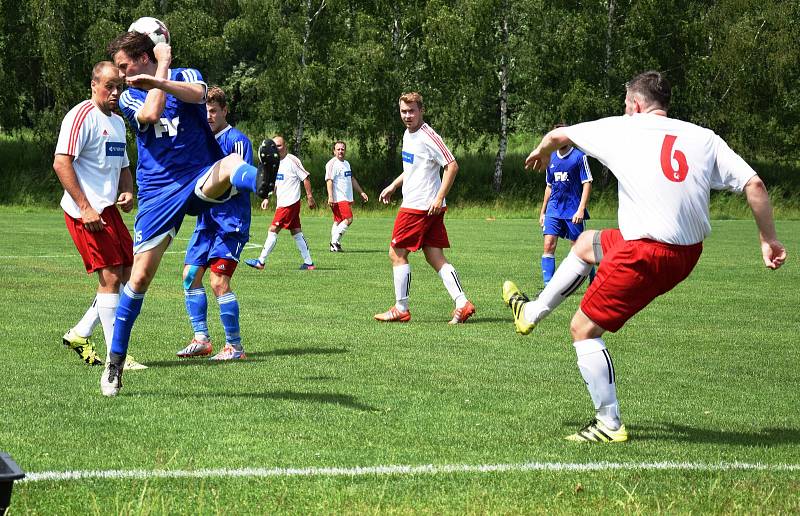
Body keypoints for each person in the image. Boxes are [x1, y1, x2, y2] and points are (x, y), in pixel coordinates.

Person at [502, 70, 787, 442]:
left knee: (583, 330)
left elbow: (559, 136)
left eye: (626, 104)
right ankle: (532, 312)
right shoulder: (703, 138)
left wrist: (540, 151)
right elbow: (755, 184)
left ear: (636, 105)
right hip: (686, 253)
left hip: (647, 253)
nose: (624, 110)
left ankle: (609, 424)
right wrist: (769, 240)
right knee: (587, 243)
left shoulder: (625, 127)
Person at [102, 31, 277, 396]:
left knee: (230, 163)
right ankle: (114, 362)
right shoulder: (131, 95)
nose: (119, 75)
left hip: (197, 175)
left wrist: (163, 72)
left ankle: (260, 179)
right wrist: (158, 70)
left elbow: (198, 95)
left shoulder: (184, 75)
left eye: (123, 65)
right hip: (157, 194)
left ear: (142, 56)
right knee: (140, 279)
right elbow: (150, 113)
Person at [54, 61, 144, 370]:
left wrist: (128, 192)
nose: (115, 92)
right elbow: (61, 163)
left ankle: (79, 333)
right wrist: (85, 207)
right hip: (85, 212)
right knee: (109, 278)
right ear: (94, 85)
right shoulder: (80, 116)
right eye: (109, 86)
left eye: (118, 86)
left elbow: (124, 168)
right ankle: (115, 357)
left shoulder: (118, 123)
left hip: (108, 211)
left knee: (129, 274)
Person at [375, 92, 476, 325]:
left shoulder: (428, 136)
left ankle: (401, 308)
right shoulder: (407, 134)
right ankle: (462, 303)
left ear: (421, 110)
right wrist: (392, 185)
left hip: (418, 207)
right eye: (403, 111)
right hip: (425, 206)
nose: (407, 116)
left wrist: (439, 197)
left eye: (412, 111)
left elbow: (452, 165)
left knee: (397, 253)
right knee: (434, 256)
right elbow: (413, 168)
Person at [177, 86, 252, 361]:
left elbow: (240, 182)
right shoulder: (201, 142)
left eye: (213, 111)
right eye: (204, 111)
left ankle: (235, 347)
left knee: (218, 281)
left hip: (230, 222)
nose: (208, 116)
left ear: (224, 111)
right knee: (189, 276)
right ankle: (201, 339)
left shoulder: (238, 140)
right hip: (205, 221)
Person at [245, 135, 317, 270]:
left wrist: (309, 196)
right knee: (296, 232)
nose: (276, 148)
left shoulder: (292, 161)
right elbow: (274, 184)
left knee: (273, 230)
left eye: (279, 145)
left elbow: (305, 178)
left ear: (285, 146)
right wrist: (267, 198)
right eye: (274, 146)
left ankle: (260, 261)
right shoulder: (274, 162)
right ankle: (309, 263)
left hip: (289, 204)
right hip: (284, 204)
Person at [538, 123, 595, 286]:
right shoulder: (550, 157)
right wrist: (543, 212)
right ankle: (547, 285)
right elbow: (549, 186)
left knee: (579, 248)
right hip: (553, 209)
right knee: (548, 244)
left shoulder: (579, 157)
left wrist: (581, 209)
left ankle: (593, 276)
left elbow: (587, 182)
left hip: (573, 210)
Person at [325, 140, 369, 252]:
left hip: (346, 197)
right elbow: (329, 180)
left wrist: (361, 192)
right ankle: (334, 242)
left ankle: (334, 245)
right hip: (338, 198)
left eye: (342, 149)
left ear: (345, 150)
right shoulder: (332, 164)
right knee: (349, 219)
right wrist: (330, 196)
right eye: (338, 149)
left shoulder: (346, 163)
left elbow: (352, 179)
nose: (340, 151)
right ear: (334, 151)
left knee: (338, 221)